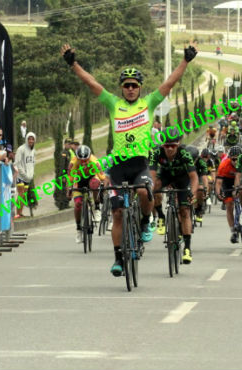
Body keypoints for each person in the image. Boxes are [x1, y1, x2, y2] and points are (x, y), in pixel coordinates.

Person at [61, 41, 198, 276]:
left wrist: (185, 60)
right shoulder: (114, 104)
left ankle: (146, 221)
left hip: (139, 164)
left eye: (134, 85)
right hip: (117, 166)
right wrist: (73, 64)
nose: (131, 89)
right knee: (117, 214)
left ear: (140, 87)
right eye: (127, 85)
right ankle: (118, 259)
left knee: (145, 191)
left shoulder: (149, 103)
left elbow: (170, 83)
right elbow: (91, 83)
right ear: (122, 88)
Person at [150, 128, 198, 263]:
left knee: (184, 211)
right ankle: (160, 215)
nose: (170, 149)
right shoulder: (156, 153)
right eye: (167, 146)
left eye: (173, 146)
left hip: (182, 180)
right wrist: (151, 190)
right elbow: (152, 176)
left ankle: (187, 248)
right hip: (164, 176)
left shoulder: (184, 154)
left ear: (178, 144)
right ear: (162, 145)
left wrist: (192, 193)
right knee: (154, 188)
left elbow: (194, 178)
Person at [67, 145, 109, 243]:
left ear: (89, 157)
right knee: (78, 205)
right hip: (79, 179)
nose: (84, 162)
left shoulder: (94, 161)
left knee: (95, 184)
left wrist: (103, 188)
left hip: (91, 177)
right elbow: (69, 179)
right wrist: (68, 190)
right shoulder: (73, 162)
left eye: (86, 160)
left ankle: (97, 208)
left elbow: (102, 177)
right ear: (77, 158)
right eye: (81, 160)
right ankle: (78, 229)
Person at [215, 145, 242, 244]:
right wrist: (218, 193)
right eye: (233, 159)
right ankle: (233, 231)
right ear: (229, 158)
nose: (235, 161)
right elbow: (218, 182)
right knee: (229, 205)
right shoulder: (224, 165)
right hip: (228, 181)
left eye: (238, 159)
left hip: (241, 179)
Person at [14, 132, 36, 218]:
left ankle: (20, 213)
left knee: (24, 196)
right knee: (21, 194)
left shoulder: (33, 151)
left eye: (32, 139)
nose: (31, 140)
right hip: (20, 176)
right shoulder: (21, 149)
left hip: (28, 177)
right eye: (29, 139)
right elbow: (17, 163)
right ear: (26, 139)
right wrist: (23, 173)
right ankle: (17, 213)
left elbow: (33, 163)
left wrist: (31, 174)